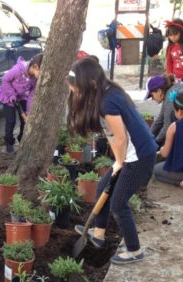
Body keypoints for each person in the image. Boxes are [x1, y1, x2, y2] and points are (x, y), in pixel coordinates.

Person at [67, 58, 157, 265]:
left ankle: (135, 250)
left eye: (77, 90)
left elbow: (121, 137)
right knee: (102, 188)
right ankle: (98, 234)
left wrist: (120, 161)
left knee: (118, 203)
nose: (76, 95)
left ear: (90, 83)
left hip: (140, 156)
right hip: (129, 154)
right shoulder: (104, 93)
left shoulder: (108, 101)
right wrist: (118, 161)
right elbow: (109, 134)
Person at [0, 53, 43, 153]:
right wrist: (12, 95)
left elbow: (31, 93)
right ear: (35, 67)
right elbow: (5, 80)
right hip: (8, 96)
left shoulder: (34, 78)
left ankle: (22, 139)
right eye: (42, 72)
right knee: (11, 121)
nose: (42, 76)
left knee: (24, 120)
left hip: (22, 97)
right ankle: (9, 142)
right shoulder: (17, 70)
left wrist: (28, 111)